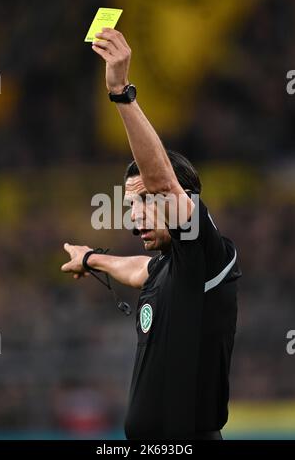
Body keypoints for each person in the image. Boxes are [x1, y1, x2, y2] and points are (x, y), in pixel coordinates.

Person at [61, 28, 241, 440]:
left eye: (145, 202)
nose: (134, 216)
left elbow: (162, 184)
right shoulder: (167, 269)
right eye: (129, 207)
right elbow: (139, 269)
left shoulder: (208, 253)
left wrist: (121, 91)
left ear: (185, 201)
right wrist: (92, 259)